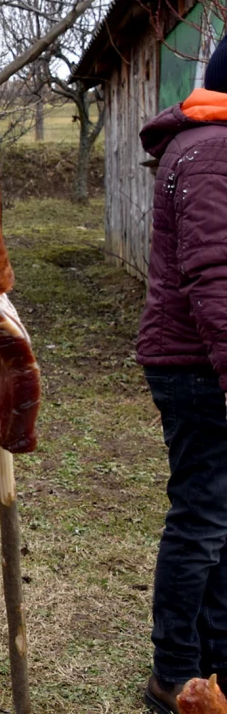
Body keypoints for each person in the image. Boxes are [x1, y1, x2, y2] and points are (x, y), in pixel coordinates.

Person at [138, 40, 227, 713]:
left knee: (218, 517)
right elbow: (214, 274)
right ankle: (174, 675)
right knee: (201, 518)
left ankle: (213, 663)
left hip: (201, 363)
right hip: (198, 367)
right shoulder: (212, 151)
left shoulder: (206, 146)